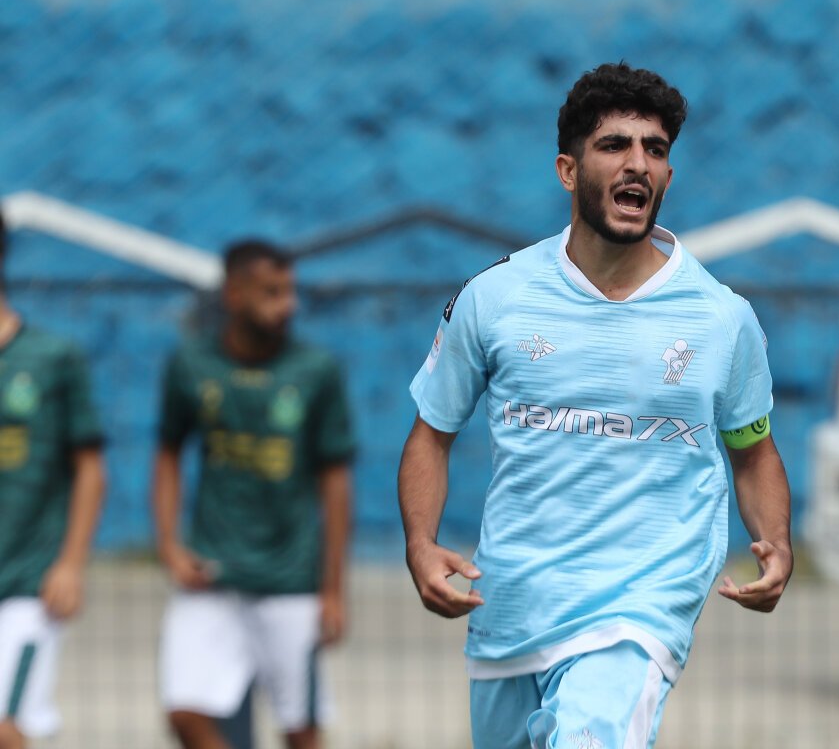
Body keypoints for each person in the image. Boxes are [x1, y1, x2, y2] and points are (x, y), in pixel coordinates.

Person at [397, 62, 793, 748]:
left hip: (639, 611)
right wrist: (420, 544)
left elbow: (752, 451)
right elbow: (432, 431)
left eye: (655, 149)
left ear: (667, 175)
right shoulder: (495, 298)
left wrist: (777, 543)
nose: (638, 163)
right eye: (615, 145)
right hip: (511, 611)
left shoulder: (722, 319)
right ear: (568, 170)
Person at [153, 240, 354, 749]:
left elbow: (335, 482)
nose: (288, 305)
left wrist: (332, 589)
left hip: (290, 579)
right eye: (272, 293)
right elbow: (168, 454)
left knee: (301, 731)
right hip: (212, 575)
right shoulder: (191, 364)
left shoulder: (315, 370)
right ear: (234, 295)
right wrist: (170, 546)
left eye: (290, 291)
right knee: (184, 713)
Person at [0, 209, 106, 749]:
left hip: (26, 582)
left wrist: (70, 563)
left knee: (6, 731)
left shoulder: (51, 358)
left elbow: (89, 467)